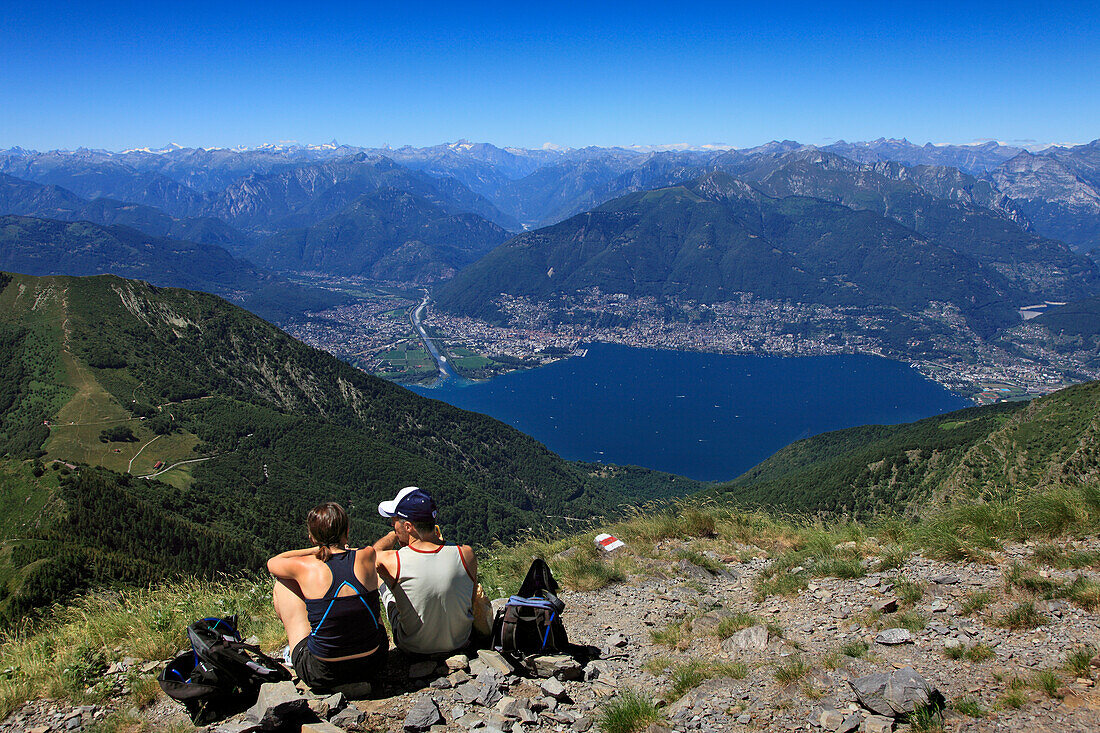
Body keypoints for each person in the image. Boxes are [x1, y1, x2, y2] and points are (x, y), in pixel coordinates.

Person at [267, 502, 388, 692]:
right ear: (346, 531)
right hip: (374, 663)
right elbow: (370, 549)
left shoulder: (304, 567)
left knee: (283, 584)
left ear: (312, 537)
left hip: (322, 672)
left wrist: (316, 550)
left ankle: (295, 650)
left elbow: (274, 562)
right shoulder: (366, 555)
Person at [372, 486, 485, 656]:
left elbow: (372, 555)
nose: (392, 524)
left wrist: (394, 535)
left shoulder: (394, 561)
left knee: (381, 581)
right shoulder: (465, 554)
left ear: (408, 526)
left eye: (394, 520)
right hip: (460, 641)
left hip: (413, 647)